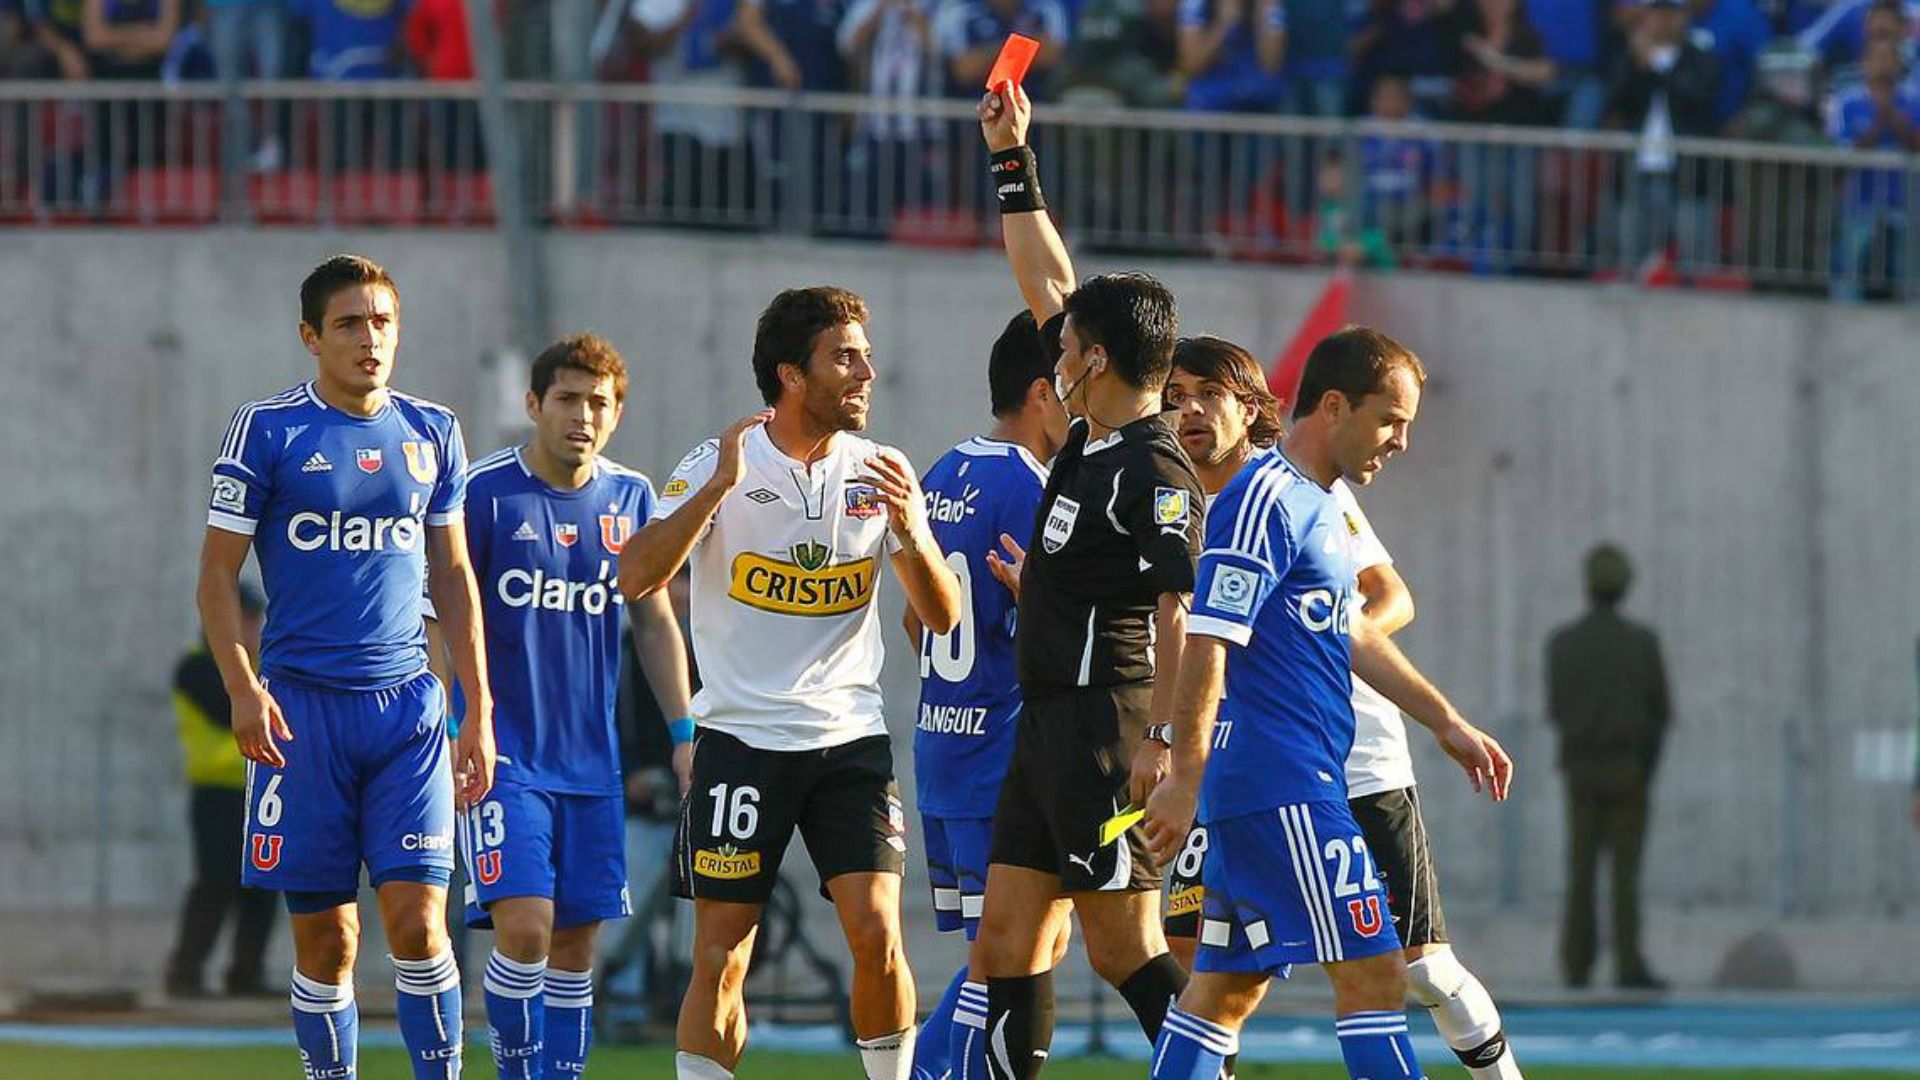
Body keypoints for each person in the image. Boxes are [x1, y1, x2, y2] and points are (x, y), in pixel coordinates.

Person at [1140, 326, 1512, 1080]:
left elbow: (1351, 631)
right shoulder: (1265, 498)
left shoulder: (1319, 506)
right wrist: (1183, 774)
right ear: (1334, 405)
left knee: (1221, 992)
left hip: (1271, 786)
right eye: (1390, 420)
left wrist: (1445, 720)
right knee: (1377, 975)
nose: (1400, 442)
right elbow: (1208, 639)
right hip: (1287, 788)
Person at [619, 286, 964, 1080]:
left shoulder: (884, 470)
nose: (867, 370)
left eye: (865, 354)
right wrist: (714, 491)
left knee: (878, 933)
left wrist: (910, 528)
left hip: (851, 740)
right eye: (845, 356)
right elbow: (635, 577)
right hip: (741, 743)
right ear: (790, 374)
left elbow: (942, 619)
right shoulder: (718, 463)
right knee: (722, 953)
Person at [196, 253, 496, 1080]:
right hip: (300, 714)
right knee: (330, 941)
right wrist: (243, 688)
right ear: (311, 336)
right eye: (350, 324)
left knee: (419, 926)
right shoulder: (267, 430)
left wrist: (479, 710)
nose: (371, 339)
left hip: (407, 713)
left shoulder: (433, 431)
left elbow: (454, 576)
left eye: (383, 322)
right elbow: (216, 576)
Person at [974, 83, 1206, 1079]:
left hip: (1107, 731)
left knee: (1122, 949)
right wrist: (1012, 161)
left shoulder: (1155, 472)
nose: (1052, 352)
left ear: (1099, 359)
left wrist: (1161, 743)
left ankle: (1210, 1069)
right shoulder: (1089, 436)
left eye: (1067, 346)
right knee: (1005, 946)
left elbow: (1179, 611)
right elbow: (1048, 279)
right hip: (1048, 728)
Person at [458, 333, 696, 1079]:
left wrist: (684, 733)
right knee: (526, 929)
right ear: (534, 405)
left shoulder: (631, 499)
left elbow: (654, 622)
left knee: (576, 948)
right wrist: (462, 721)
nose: (582, 415)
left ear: (616, 414)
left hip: (593, 767)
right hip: (506, 760)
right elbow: (443, 621)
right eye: (566, 399)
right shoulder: (484, 493)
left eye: (599, 402)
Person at [904, 310, 1074, 1080]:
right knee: (1010, 957)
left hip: (944, 740)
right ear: (1043, 391)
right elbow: (1054, 623)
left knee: (1011, 950)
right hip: (1003, 759)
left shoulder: (942, 472)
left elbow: (918, 617)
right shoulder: (1038, 488)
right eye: (1075, 382)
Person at [1546, 543, 1671, 991]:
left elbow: (1556, 708)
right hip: (1628, 769)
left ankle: (1576, 964)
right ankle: (1628, 963)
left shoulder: (1563, 644)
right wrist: (1645, 766)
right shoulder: (1642, 644)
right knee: (1625, 874)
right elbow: (1661, 712)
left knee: (1580, 871)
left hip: (1580, 769)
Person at [165, 582, 279, 1000]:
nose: (254, 629)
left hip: (262, 788)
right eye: (247, 620)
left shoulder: (263, 667)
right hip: (217, 791)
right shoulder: (197, 668)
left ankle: (246, 973)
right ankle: (185, 972)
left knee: (264, 886)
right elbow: (228, 711)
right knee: (215, 882)